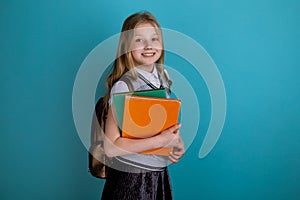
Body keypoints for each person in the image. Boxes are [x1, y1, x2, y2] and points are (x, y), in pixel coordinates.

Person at [101, 11, 185, 200]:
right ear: (126, 46)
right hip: (130, 179)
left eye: (154, 39)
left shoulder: (164, 78)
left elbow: (161, 127)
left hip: (158, 175)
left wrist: (177, 143)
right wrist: (161, 141)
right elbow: (111, 148)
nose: (149, 46)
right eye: (139, 40)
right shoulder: (124, 86)